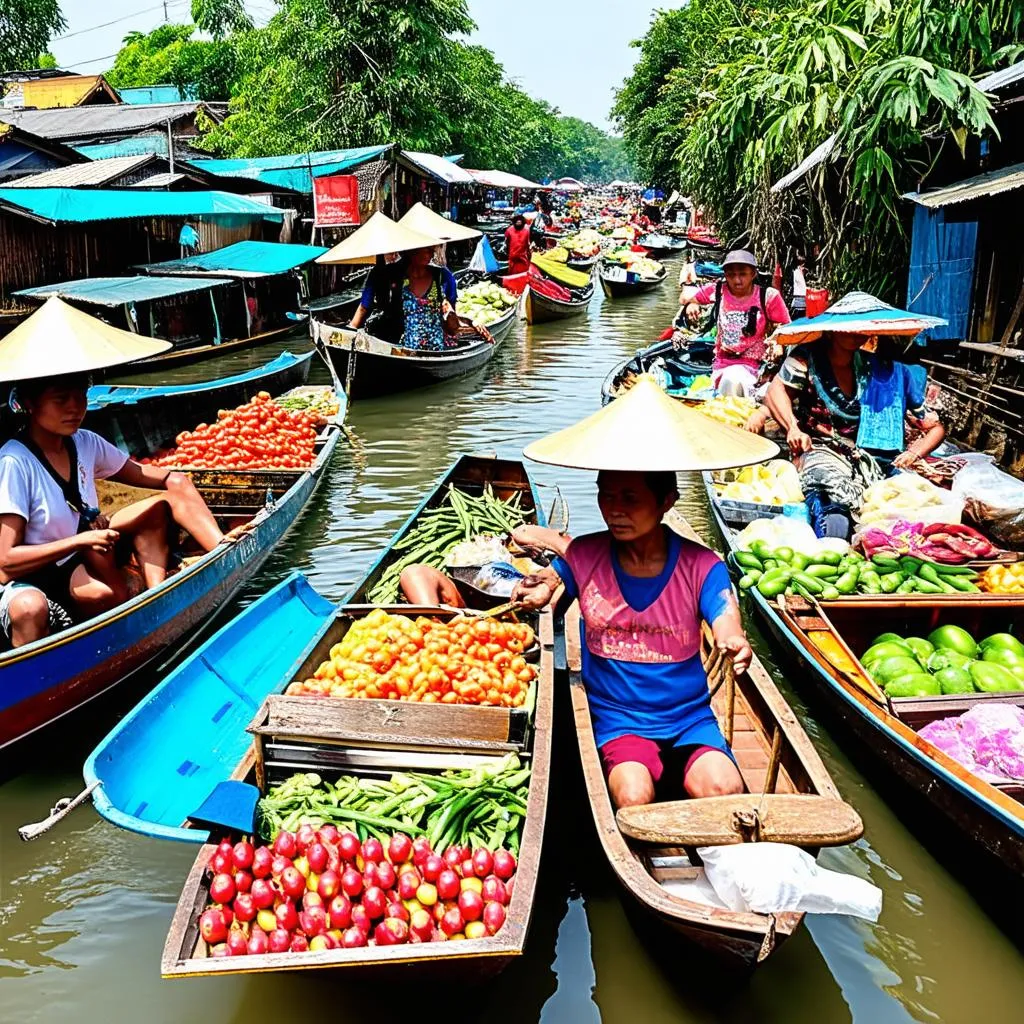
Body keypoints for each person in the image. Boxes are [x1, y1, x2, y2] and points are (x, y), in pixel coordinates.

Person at [513, 470, 750, 809]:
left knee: (725, 790)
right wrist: (539, 589)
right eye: (606, 496)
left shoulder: (702, 565)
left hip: (688, 717)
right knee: (633, 796)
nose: (614, 510)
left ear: (666, 501)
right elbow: (554, 586)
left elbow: (725, 618)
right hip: (619, 718)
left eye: (630, 498)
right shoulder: (585, 555)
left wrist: (734, 642)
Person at [0, 373, 226, 648]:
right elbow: (6, 561)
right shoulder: (14, 462)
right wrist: (82, 539)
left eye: (81, 396)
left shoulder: (85, 442)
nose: (75, 407)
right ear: (29, 403)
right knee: (94, 598)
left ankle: (160, 596)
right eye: (61, 400)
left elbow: (143, 475)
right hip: (42, 569)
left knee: (159, 507)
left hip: (84, 546)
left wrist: (175, 480)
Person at [764, 332, 945, 538]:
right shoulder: (806, 358)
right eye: (848, 329)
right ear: (833, 331)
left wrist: (913, 453)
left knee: (917, 505)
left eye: (860, 330)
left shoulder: (883, 371)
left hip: (876, 462)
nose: (855, 335)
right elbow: (774, 392)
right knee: (835, 517)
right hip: (823, 451)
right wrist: (792, 428)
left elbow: (935, 427)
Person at [682, 249, 791, 397]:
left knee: (733, 380)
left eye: (742, 274)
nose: (737, 280)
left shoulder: (768, 296)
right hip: (722, 361)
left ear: (753, 274)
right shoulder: (719, 290)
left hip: (755, 363)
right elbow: (685, 297)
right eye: (731, 275)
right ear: (725, 275)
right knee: (727, 381)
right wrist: (691, 304)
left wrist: (778, 343)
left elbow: (785, 326)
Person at [399, 525, 570, 607]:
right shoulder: (483, 553)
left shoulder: (537, 564)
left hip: (517, 603)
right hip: (467, 601)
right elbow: (522, 531)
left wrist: (547, 581)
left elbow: (563, 548)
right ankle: (432, 626)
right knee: (414, 572)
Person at [348, 246, 459, 350]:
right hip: (397, 343)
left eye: (432, 249)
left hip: (434, 345)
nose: (432, 253)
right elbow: (364, 307)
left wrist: (449, 313)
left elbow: (452, 322)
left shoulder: (442, 277)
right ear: (412, 250)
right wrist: (350, 332)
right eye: (427, 249)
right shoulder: (387, 274)